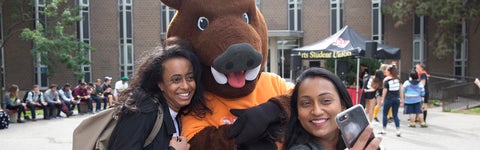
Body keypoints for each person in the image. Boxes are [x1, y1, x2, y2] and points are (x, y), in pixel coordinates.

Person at [108, 37, 211, 149]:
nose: (186, 86)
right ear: (159, 83)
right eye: (176, 80)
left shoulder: (180, 112)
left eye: (190, 78)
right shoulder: (143, 110)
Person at [284, 67, 381, 150]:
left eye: (326, 101)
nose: (317, 111)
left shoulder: (355, 142)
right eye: (306, 103)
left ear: (342, 105)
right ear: (297, 112)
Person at [378, 65, 403, 137]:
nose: (385, 71)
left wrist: (382, 99)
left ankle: (384, 130)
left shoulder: (387, 80)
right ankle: (398, 130)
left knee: (385, 114)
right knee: (395, 115)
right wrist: (402, 99)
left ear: (389, 71)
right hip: (396, 99)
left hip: (388, 99)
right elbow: (401, 90)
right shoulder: (398, 80)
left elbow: (385, 91)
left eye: (386, 70)